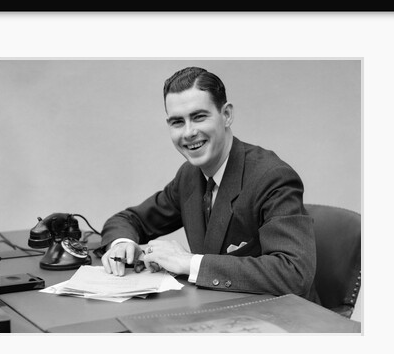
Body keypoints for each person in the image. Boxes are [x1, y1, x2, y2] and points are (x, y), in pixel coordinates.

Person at [95, 66, 319, 303]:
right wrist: (122, 244)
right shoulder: (189, 176)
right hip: (214, 313)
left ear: (227, 115)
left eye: (199, 117)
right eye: (177, 122)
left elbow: (294, 273)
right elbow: (129, 219)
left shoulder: (272, 177)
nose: (189, 132)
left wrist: (188, 262)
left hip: (279, 321)